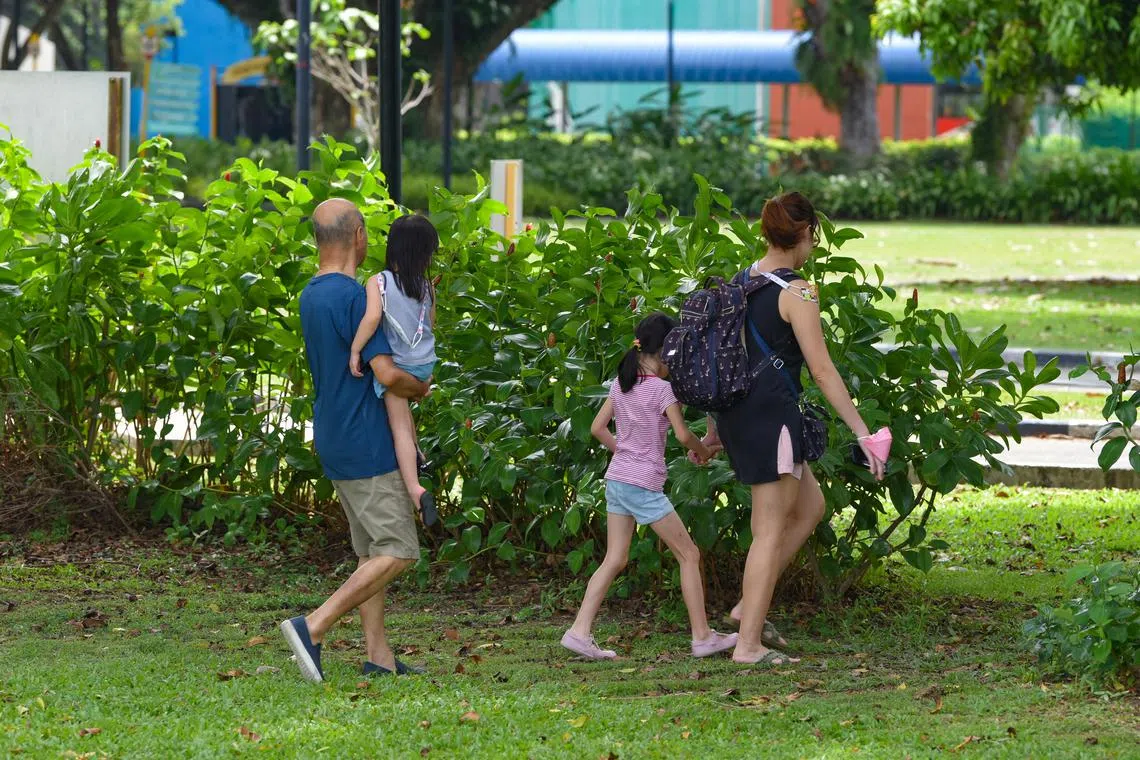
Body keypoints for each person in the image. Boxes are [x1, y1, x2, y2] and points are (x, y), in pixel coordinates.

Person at [703, 192, 886, 666]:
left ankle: (746, 609)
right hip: (772, 422)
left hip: (739, 416)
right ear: (805, 234)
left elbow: (722, 360)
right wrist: (863, 432)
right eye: (813, 238)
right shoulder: (799, 291)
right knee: (767, 531)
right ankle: (748, 645)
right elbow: (822, 370)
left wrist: (713, 429)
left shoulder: (741, 281)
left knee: (810, 507)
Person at [280, 199, 432, 683]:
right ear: (359, 236)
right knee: (399, 550)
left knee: (370, 551)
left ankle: (378, 657)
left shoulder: (311, 294)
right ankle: (313, 626)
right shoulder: (354, 298)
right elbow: (387, 373)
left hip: (334, 435)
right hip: (366, 440)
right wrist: (422, 387)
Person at [561, 313, 738, 660]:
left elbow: (597, 428)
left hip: (618, 480)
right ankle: (703, 637)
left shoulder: (621, 383)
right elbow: (684, 435)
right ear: (666, 350)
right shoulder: (661, 389)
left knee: (615, 558)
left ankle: (579, 632)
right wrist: (703, 451)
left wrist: (625, 453)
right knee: (689, 555)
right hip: (642, 485)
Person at [349, 214, 439, 527]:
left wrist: (356, 349)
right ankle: (419, 455)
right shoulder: (427, 288)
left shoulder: (379, 282)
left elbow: (373, 318)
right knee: (406, 417)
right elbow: (430, 324)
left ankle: (415, 488)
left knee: (399, 425)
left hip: (399, 365)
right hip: (424, 365)